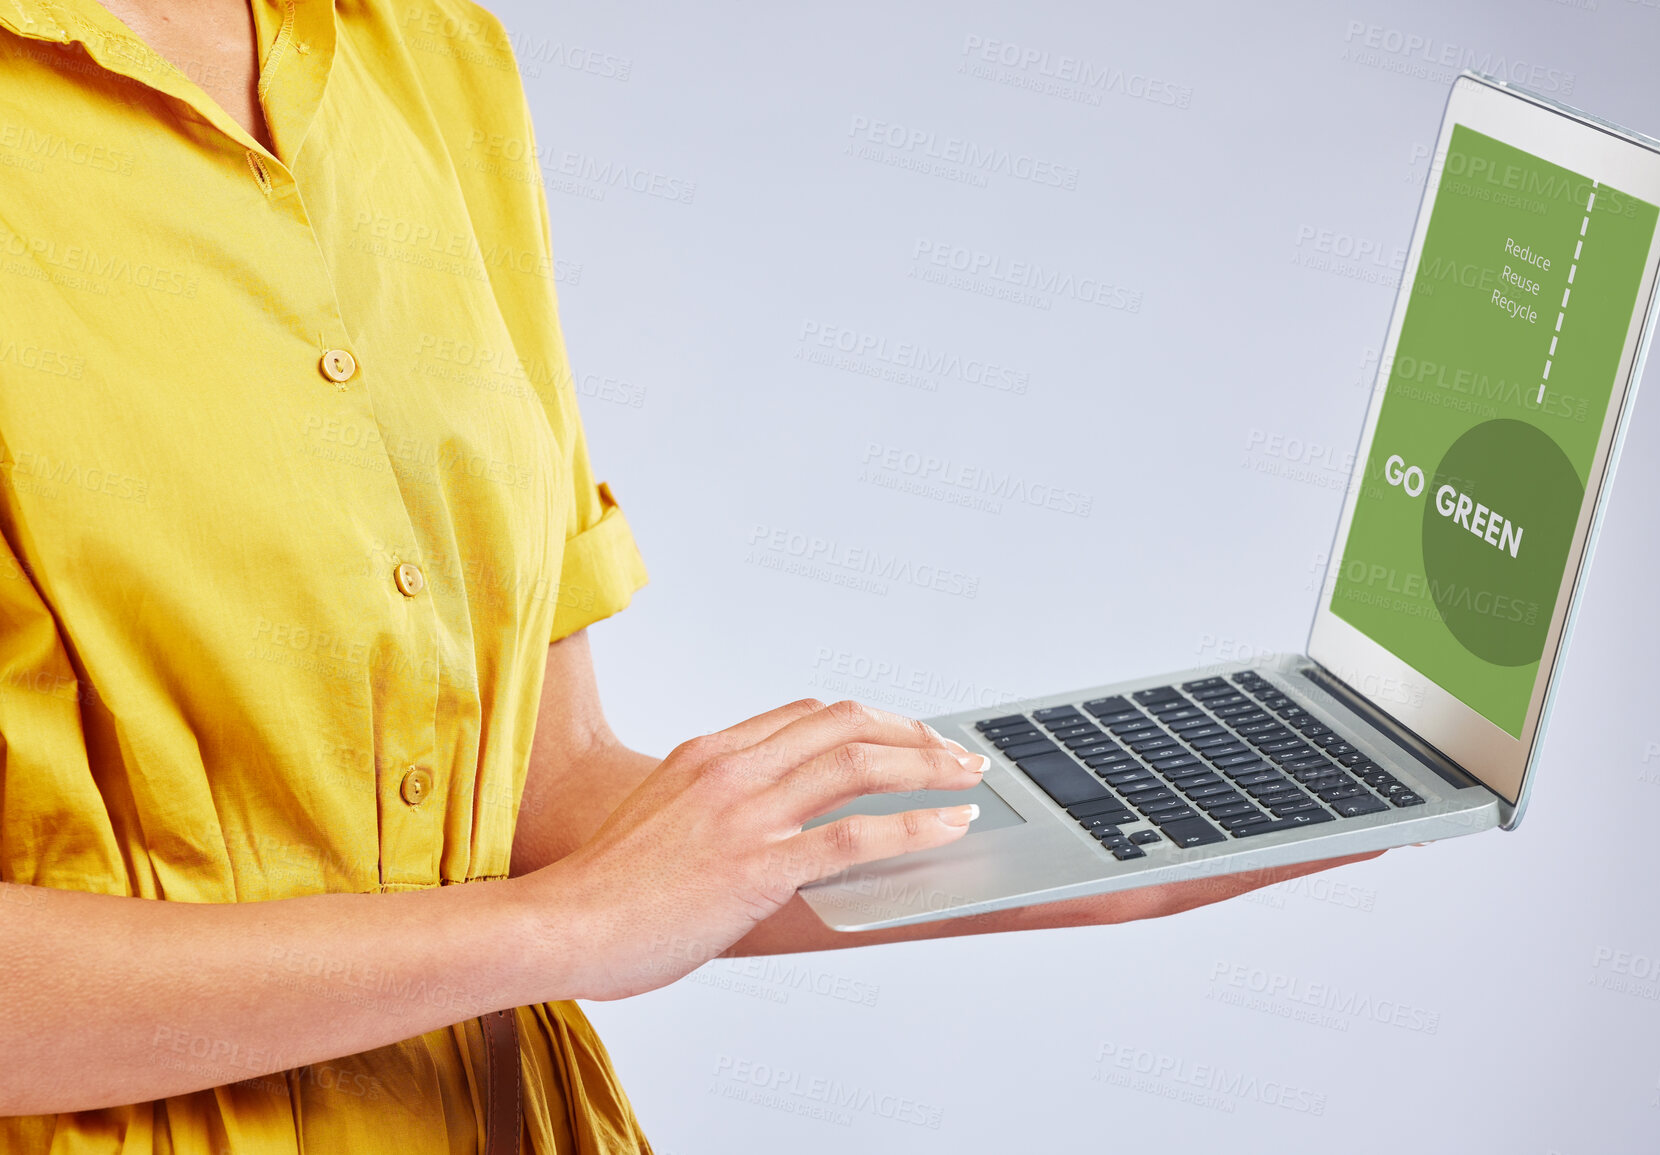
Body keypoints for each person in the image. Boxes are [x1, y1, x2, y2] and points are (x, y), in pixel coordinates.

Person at [0, 0, 1378, 1148]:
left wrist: (1094, 839)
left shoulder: (423, 52)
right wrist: (551, 934)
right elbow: (569, 907)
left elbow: (542, 804)